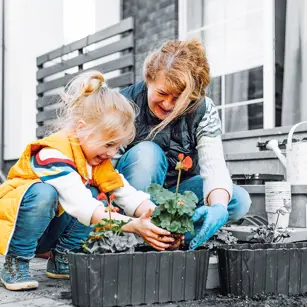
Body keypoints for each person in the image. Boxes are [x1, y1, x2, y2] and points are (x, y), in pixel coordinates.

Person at [0, 71, 174, 291]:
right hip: (13, 225)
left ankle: (63, 258)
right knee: (47, 194)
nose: (112, 153)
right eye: (108, 144)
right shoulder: (52, 154)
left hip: (44, 231)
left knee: (96, 195)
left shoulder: (96, 161)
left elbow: (124, 192)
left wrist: (153, 214)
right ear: (82, 128)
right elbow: (84, 208)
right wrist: (134, 226)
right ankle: (16, 262)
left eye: (117, 147)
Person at [116, 39, 252, 250]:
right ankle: (135, 237)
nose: (168, 104)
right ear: (148, 78)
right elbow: (104, 169)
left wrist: (218, 206)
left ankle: (172, 239)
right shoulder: (123, 105)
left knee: (236, 201)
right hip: (130, 199)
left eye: (179, 98)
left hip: (175, 194)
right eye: (161, 93)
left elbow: (213, 164)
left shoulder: (204, 110)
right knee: (147, 154)